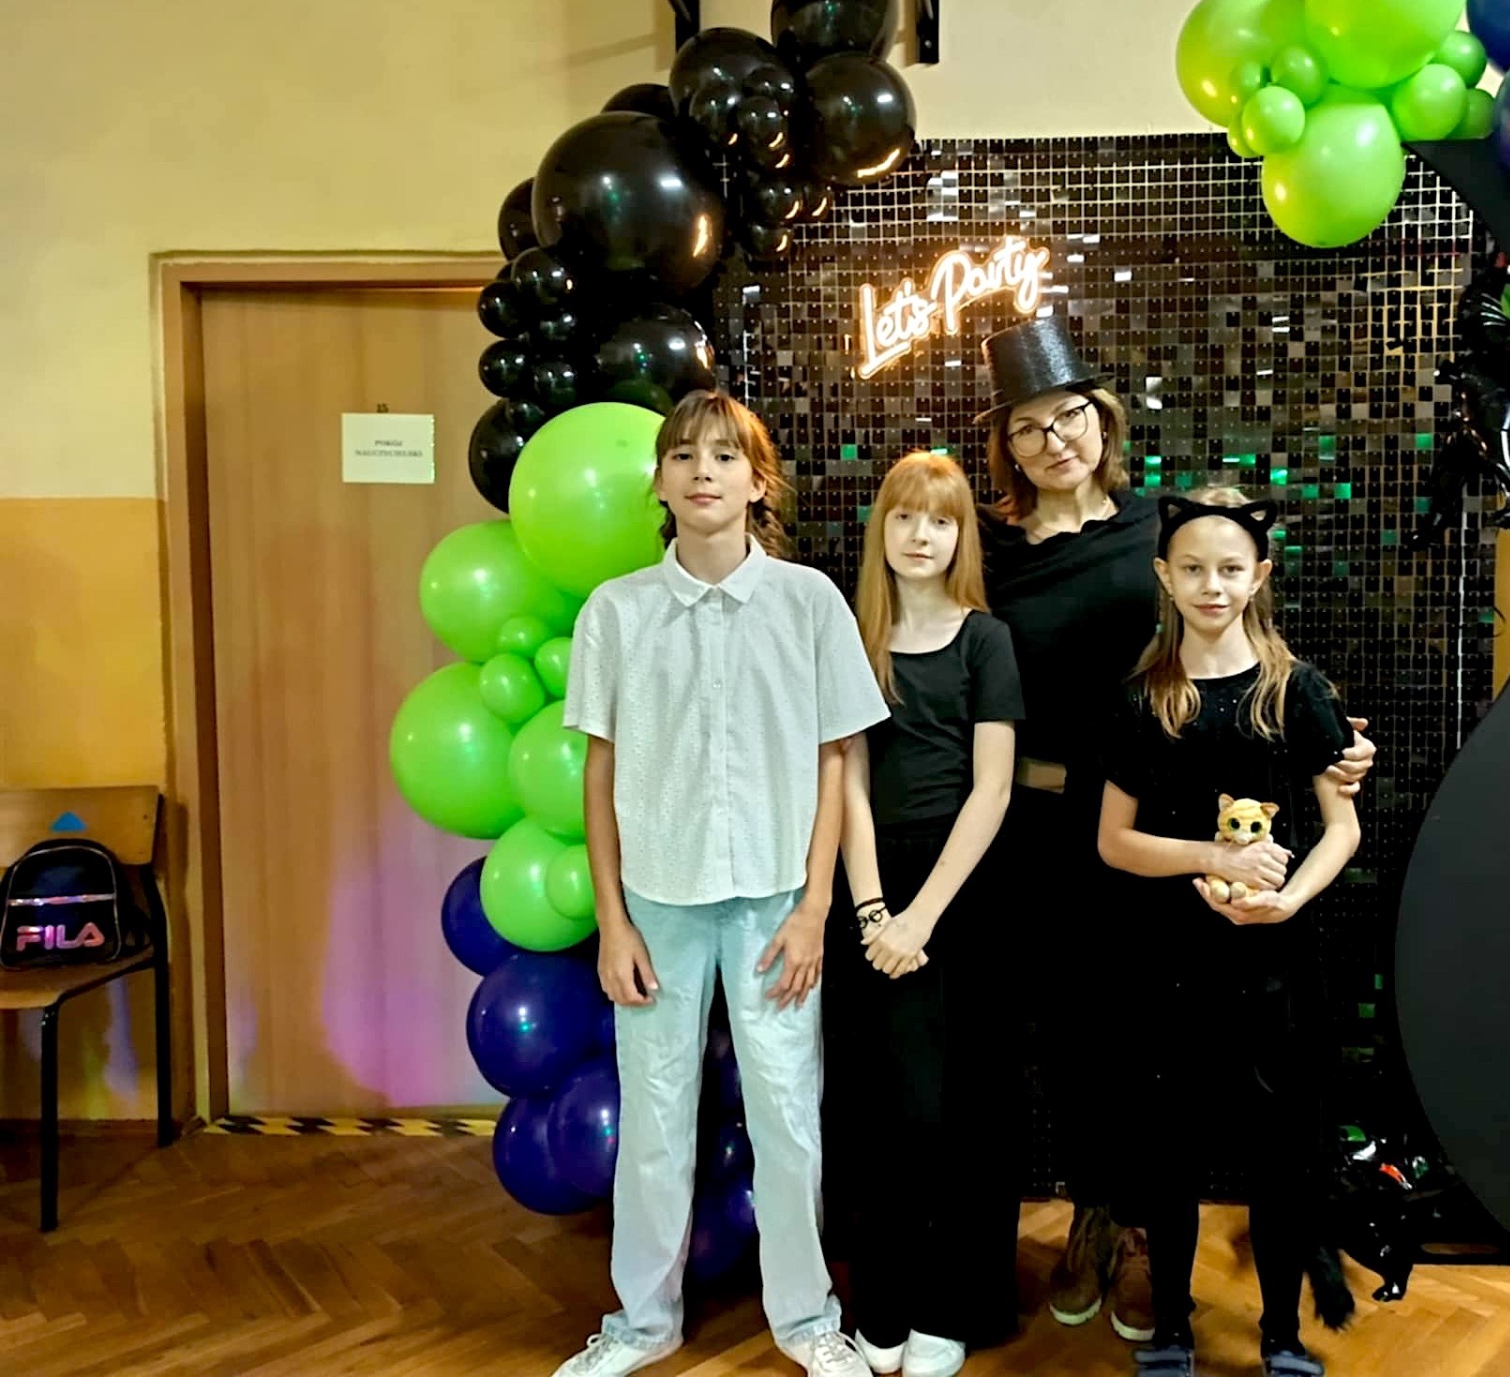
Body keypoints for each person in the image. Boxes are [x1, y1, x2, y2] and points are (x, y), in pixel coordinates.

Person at [973, 314, 1378, 1343]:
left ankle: (1157, 1233)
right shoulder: (991, 551)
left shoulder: (1160, 529)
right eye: (1027, 427)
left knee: (1150, 1045)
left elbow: (1244, 637)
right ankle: (1095, 1216)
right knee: (1066, 1037)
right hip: (1037, 824)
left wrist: (1331, 744)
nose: (1053, 441)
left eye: (1069, 416)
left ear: (1102, 420)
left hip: (1159, 832)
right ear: (1006, 446)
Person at [556, 390, 890, 1377]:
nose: (703, 471)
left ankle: (807, 1320)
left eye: (724, 456)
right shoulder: (617, 611)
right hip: (657, 902)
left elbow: (836, 760)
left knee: (789, 1113)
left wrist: (817, 909)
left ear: (757, 482)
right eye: (684, 456)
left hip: (778, 903)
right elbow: (600, 773)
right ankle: (641, 1321)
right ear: (659, 481)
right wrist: (613, 920)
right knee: (656, 1115)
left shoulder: (809, 603)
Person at [1097, 487, 1363, 1377]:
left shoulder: (1298, 692)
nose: (1212, 586)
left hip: (1276, 966)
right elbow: (1115, 842)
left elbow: (1342, 829)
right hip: (1169, 966)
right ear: (1165, 576)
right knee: (1169, 1158)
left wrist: (1287, 901)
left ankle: (1281, 1334)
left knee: (1281, 1160)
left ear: (1259, 577)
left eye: (1229, 570)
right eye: (1194, 570)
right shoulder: (1143, 699)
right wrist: (1210, 856)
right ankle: (1171, 1329)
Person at [835, 451, 1025, 1377]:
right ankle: (883, 1301)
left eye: (941, 521)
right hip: (872, 891)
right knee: (883, 1111)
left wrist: (919, 919)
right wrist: (874, 910)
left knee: (958, 1111)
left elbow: (993, 790)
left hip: (964, 890)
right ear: (882, 529)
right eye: (906, 517)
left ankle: (952, 1304)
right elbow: (847, 782)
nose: (921, 535)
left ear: (962, 538)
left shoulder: (986, 640)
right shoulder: (852, 640)